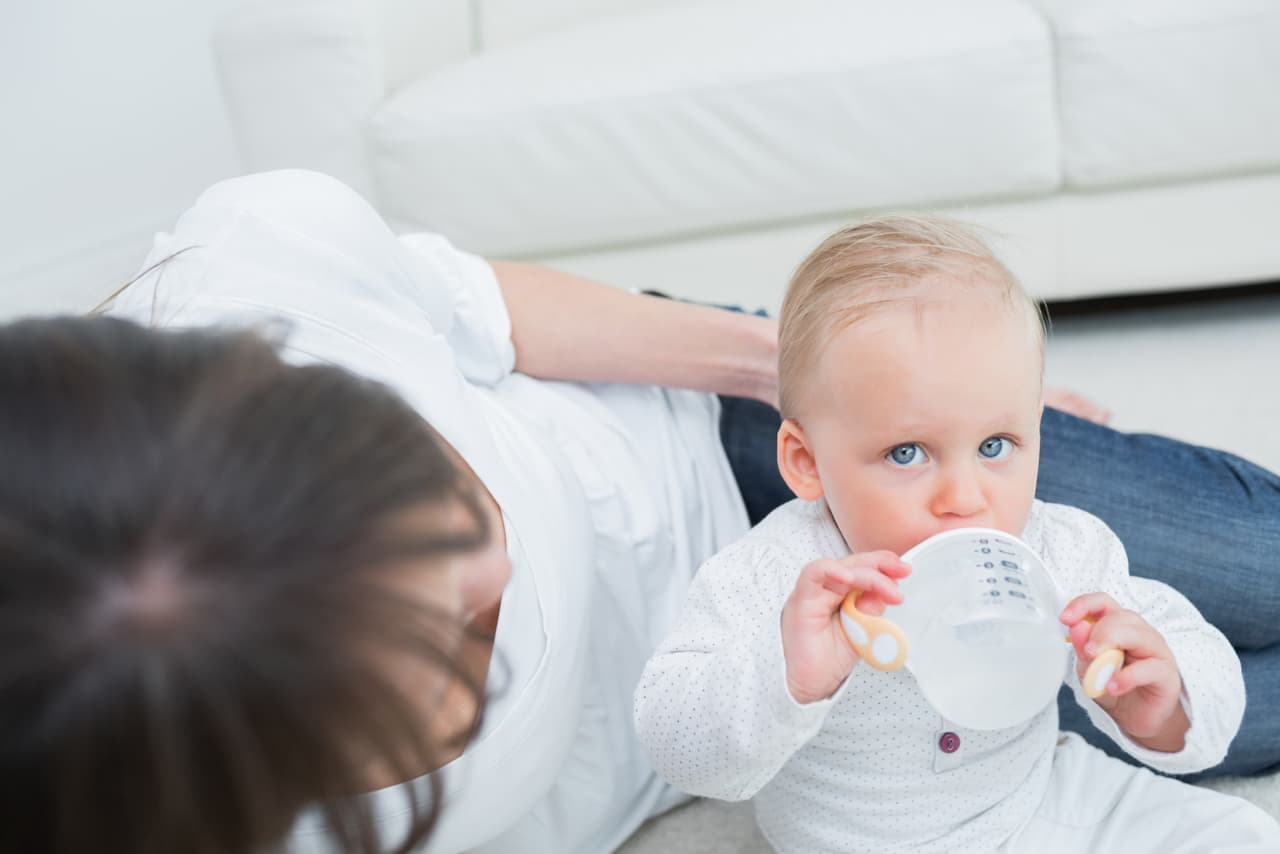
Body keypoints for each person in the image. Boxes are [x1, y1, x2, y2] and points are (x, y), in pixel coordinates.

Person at [1, 169, 1277, 854]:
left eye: (420, 477)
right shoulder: (156, 783)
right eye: (429, 646)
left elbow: (488, 311)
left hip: (719, 439)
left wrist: (890, 411)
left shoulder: (259, 266)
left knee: (1246, 570)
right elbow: (704, 748)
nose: (483, 562)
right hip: (789, 669)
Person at [633, 215, 1280, 852]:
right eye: (908, 453)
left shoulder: (1058, 545)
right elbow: (677, 745)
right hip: (859, 843)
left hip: (1035, 800)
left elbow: (1197, 666)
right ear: (806, 462)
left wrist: (1163, 704)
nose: (967, 499)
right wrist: (787, 675)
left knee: (1238, 833)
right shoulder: (779, 575)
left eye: (996, 444)